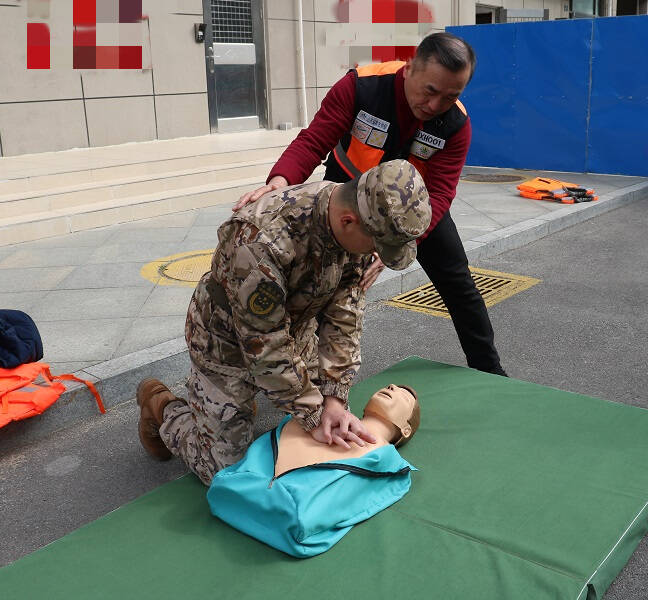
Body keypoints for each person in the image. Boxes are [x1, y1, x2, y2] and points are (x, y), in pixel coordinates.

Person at [136, 160, 431, 485]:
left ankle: (247, 406)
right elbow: (265, 345)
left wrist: (333, 396)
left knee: (327, 427)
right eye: (377, 247)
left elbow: (345, 313)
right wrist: (314, 412)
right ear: (349, 221)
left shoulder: (358, 223)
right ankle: (162, 407)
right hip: (226, 344)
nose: (376, 256)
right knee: (228, 473)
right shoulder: (260, 240)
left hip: (294, 328)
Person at [235, 32, 507, 377]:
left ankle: (490, 372)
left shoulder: (456, 124)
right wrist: (279, 182)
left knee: (460, 285)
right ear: (409, 70)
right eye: (430, 91)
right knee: (323, 283)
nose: (436, 105)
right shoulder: (360, 88)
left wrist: (397, 243)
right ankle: (309, 378)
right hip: (348, 193)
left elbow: (440, 193)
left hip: (413, 208)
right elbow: (315, 138)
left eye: (450, 96)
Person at [207, 384, 420, 558]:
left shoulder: (390, 466)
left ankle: (173, 410)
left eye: (404, 396)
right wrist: (315, 416)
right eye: (392, 386)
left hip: (257, 500)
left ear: (406, 429)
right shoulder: (311, 418)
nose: (392, 387)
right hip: (237, 484)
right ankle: (173, 408)